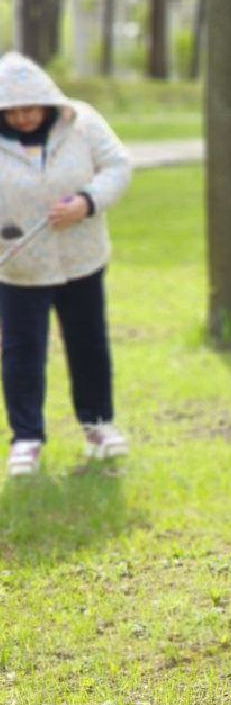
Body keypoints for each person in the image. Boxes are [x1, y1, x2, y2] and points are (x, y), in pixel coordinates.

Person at [0, 52, 132, 477]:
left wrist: (87, 202)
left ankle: (98, 424)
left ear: (48, 102)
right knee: (22, 352)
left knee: (89, 342)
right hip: (19, 268)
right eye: (11, 110)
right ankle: (26, 438)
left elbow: (118, 165)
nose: (22, 117)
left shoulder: (84, 123)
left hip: (81, 259)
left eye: (30, 107)